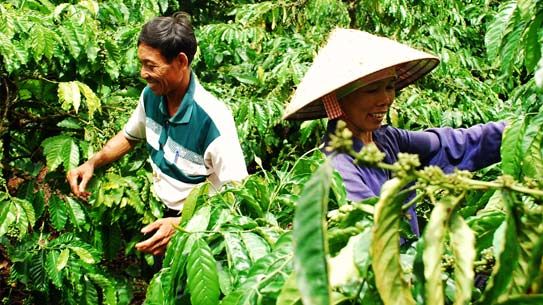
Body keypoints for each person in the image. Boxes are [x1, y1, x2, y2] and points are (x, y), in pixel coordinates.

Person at [283, 29, 505, 236]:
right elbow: (378, 234)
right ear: (337, 99)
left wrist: (518, 131)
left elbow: (455, 144)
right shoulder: (338, 168)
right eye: (372, 90)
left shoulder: (387, 139)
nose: (385, 100)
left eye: (390, 86)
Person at [67, 12, 248, 255]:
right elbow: (129, 136)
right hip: (164, 214)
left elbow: (237, 192)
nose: (143, 73)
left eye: (151, 65)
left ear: (181, 62)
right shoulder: (151, 96)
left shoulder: (213, 120)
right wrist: (92, 163)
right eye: (142, 63)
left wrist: (184, 224)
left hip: (203, 226)